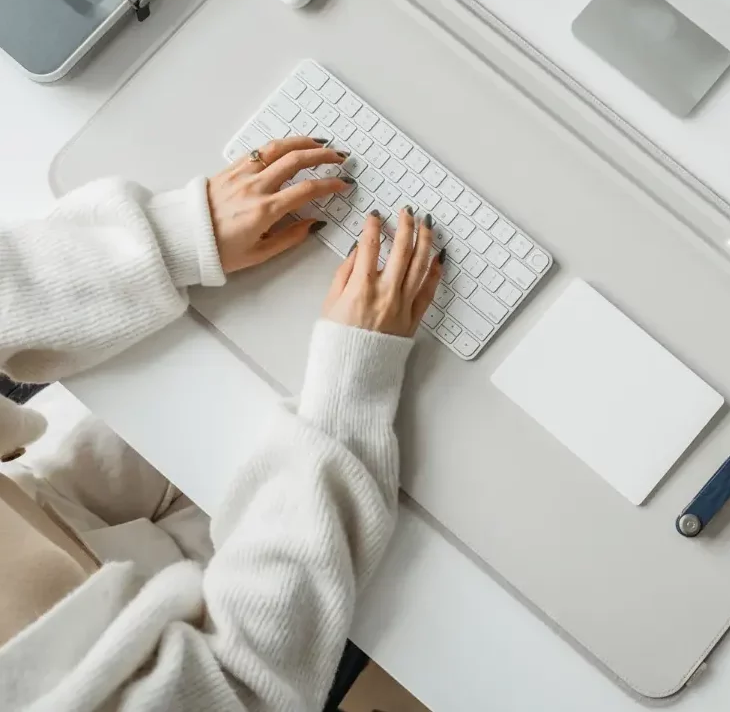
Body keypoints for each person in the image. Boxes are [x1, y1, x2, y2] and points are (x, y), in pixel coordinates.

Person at [0, 135, 442, 711]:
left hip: (47, 509)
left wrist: (174, 238)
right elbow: (240, 682)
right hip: (169, 651)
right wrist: (349, 392)